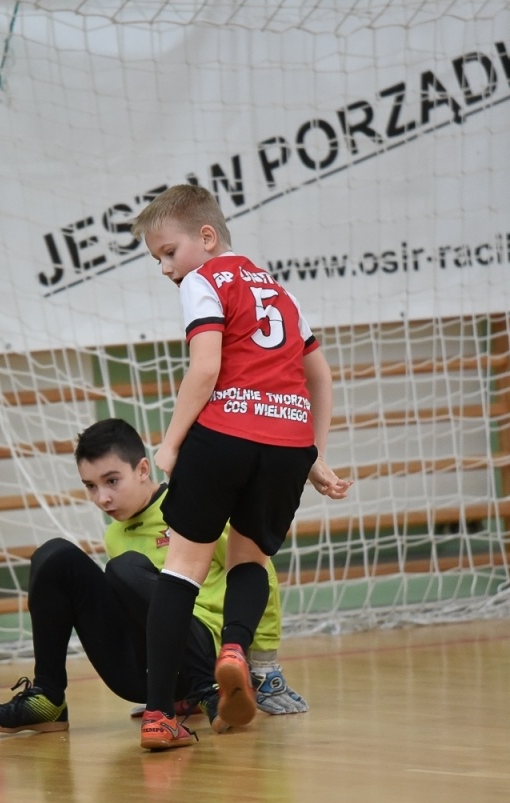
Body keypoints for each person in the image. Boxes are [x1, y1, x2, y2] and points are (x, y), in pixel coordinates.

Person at [131, 184, 351, 751]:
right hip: (287, 442)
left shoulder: (205, 282)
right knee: (251, 557)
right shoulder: (281, 292)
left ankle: (159, 716)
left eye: (168, 252)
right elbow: (320, 376)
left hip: (226, 432)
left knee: (183, 568)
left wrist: (171, 443)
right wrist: (315, 457)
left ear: (207, 238)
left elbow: (205, 369)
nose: (164, 268)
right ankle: (236, 650)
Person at [0, 418, 308, 735]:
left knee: (124, 569)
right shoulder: (115, 536)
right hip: (146, 671)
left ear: (143, 469)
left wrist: (263, 664)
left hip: (208, 655)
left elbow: (258, 575)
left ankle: (209, 691)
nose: (102, 498)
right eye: (91, 486)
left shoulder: (194, 509)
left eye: (112, 481)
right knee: (55, 556)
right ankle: (48, 697)